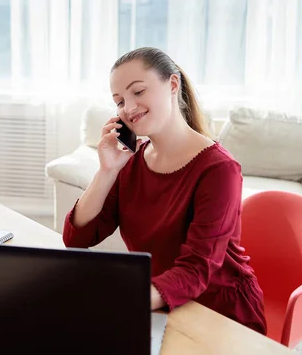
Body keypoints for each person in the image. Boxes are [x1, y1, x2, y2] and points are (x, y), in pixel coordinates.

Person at [62, 47, 267, 335]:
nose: (129, 107)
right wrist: (107, 171)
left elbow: (197, 269)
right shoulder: (130, 162)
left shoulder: (219, 169)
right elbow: (77, 238)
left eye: (138, 92)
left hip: (219, 311)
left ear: (172, 85)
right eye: (119, 101)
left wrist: (128, 300)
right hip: (159, 301)